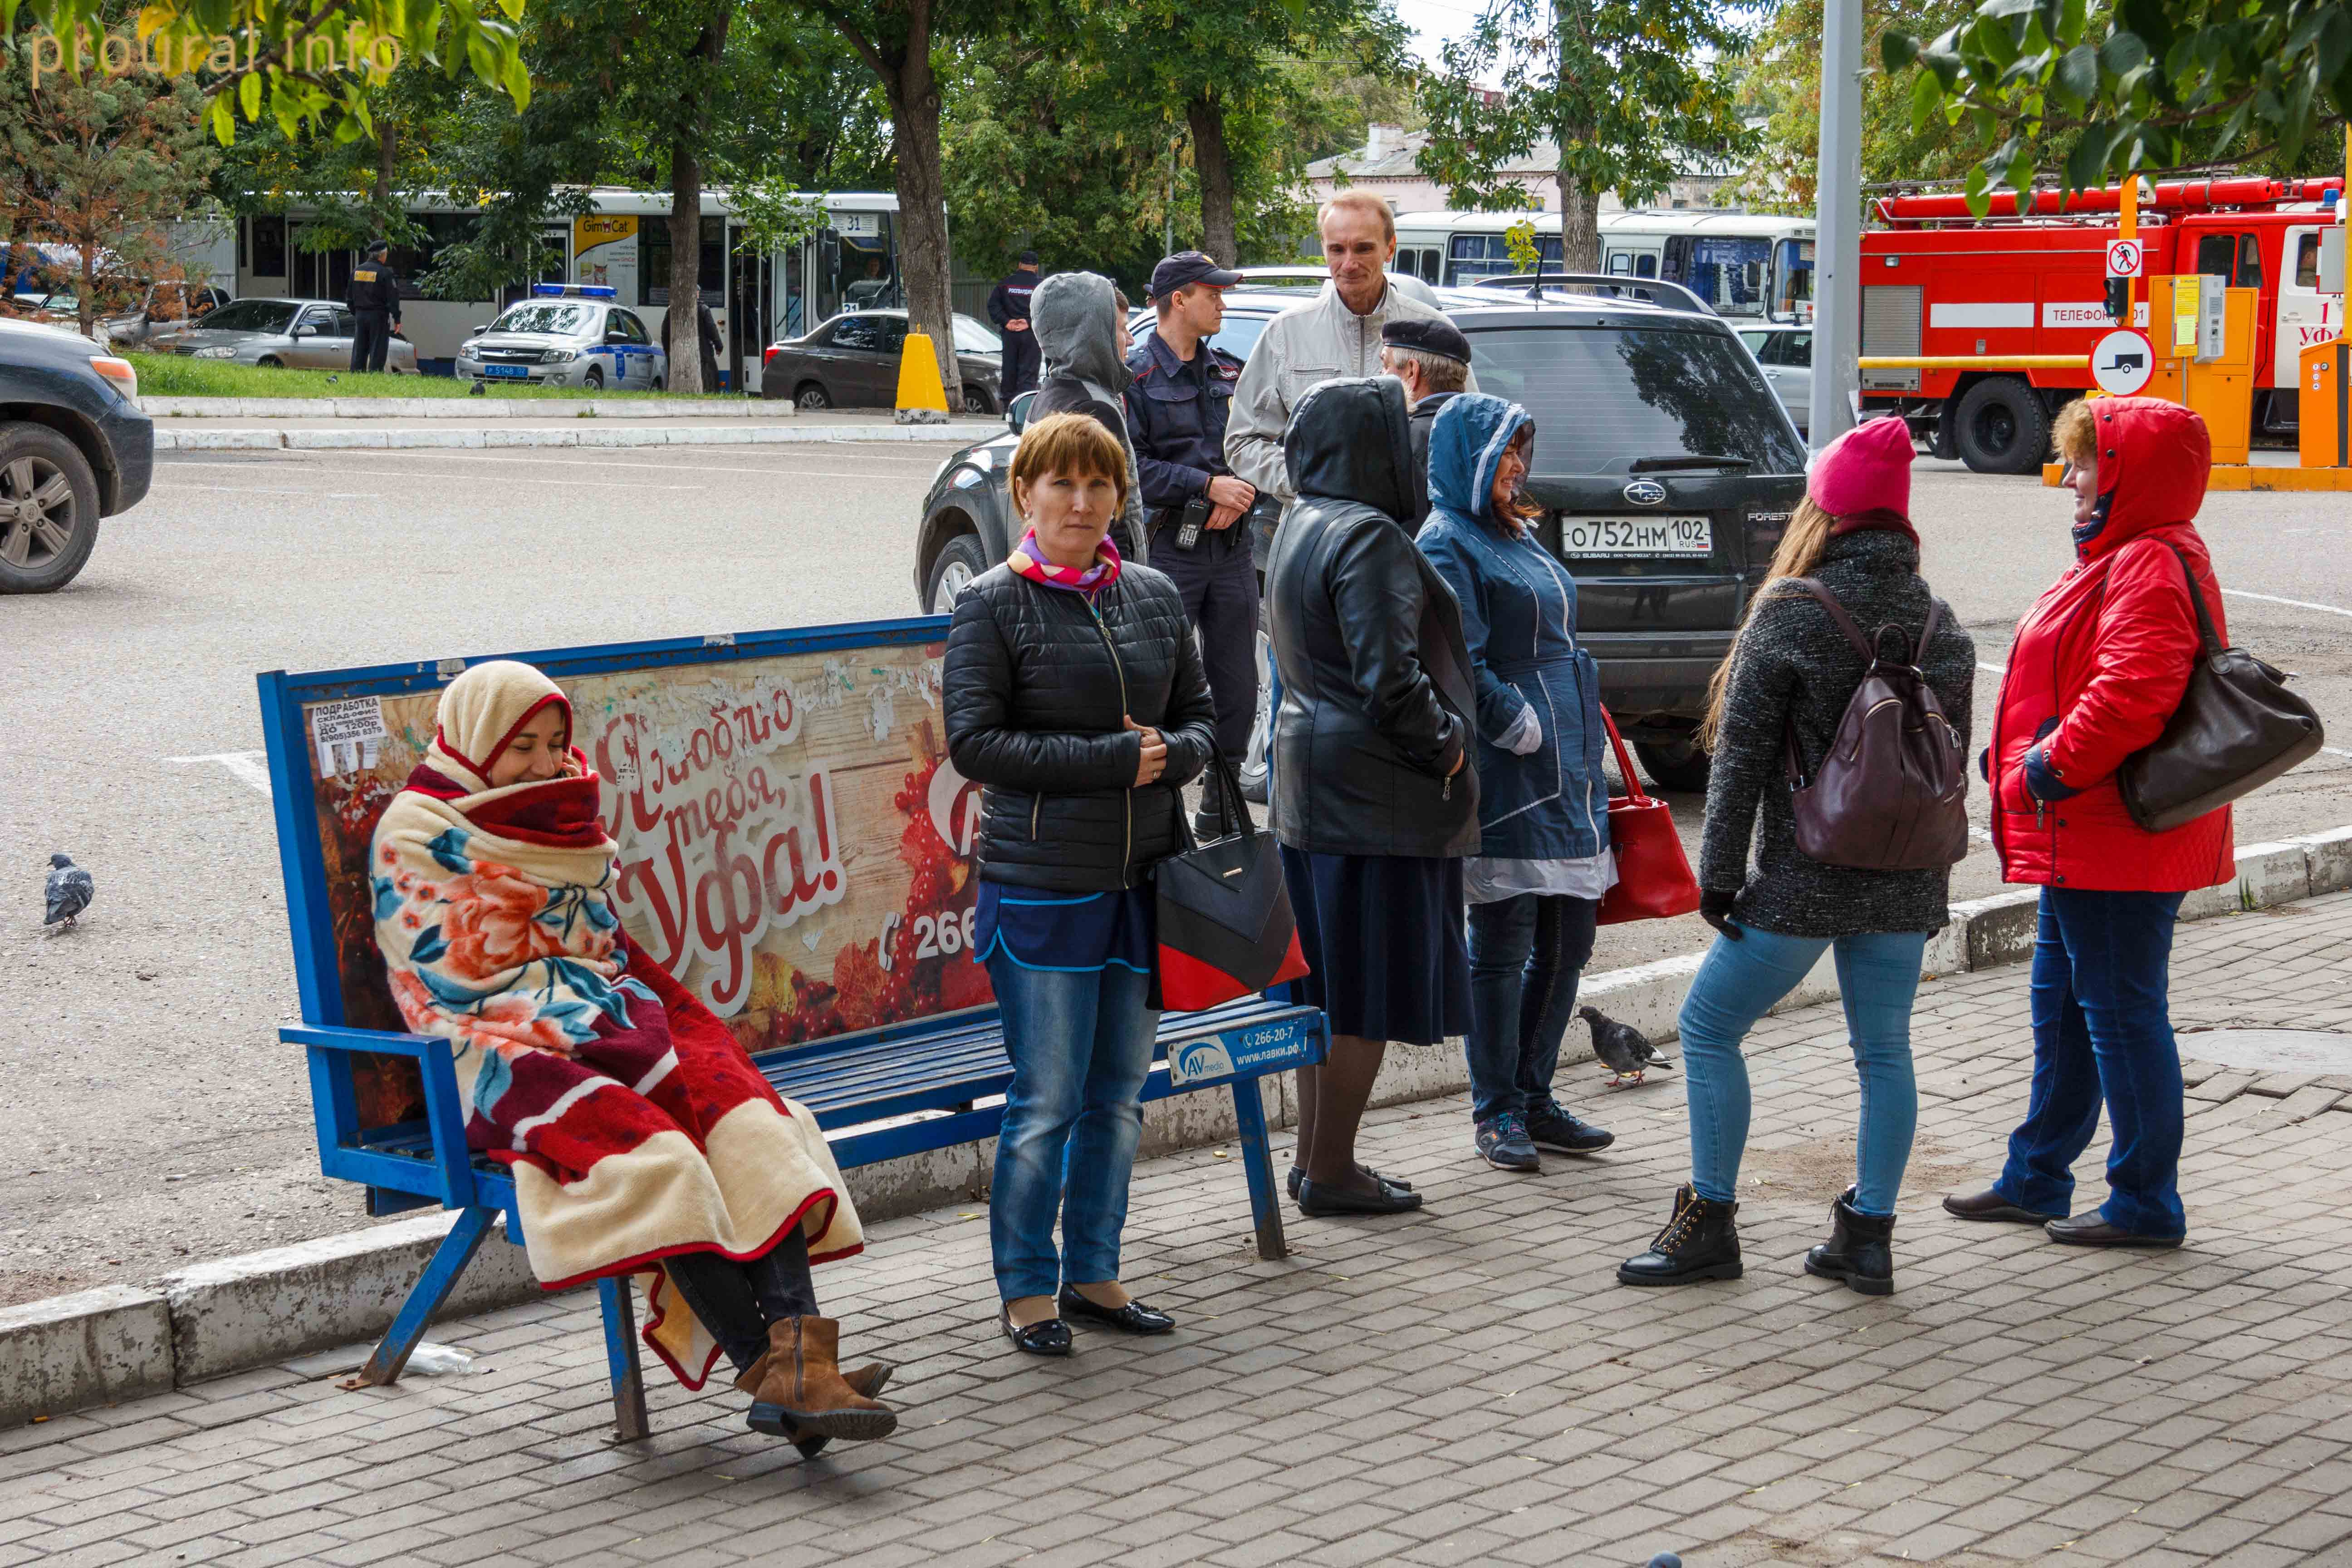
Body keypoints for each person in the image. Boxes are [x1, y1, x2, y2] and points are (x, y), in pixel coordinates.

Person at [370, 662, 895, 1446]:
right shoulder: (415, 831)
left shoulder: (559, 821)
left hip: (596, 1010)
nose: (547, 765)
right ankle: (777, 1371)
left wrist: (598, 998)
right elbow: (451, 971)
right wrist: (576, 996)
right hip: (496, 1045)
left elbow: (596, 941)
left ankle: (796, 1361)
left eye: (555, 744)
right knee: (661, 1162)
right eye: (524, 749)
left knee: (747, 1120)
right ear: (477, 744)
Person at [1618, 416, 1975, 1294]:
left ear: (1825, 510)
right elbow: (1942, 765)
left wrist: (1720, 876)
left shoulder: (1792, 613)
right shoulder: (1943, 626)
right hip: (1902, 875)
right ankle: (1866, 1239)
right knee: (1882, 1052)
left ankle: (1707, 1225)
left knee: (1706, 1028)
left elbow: (1736, 761)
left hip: (1801, 877)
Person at [944, 411, 1219, 1356]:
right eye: (1061, 484)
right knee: (1048, 1100)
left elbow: (1203, 719)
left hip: (1141, 882)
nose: (1082, 502)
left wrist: (1170, 753)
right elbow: (976, 744)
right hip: (1042, 889)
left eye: (1099, 484)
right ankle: (1026, 1289)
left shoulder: (1149, 594)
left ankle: (1094, 1272)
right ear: (1025, 494)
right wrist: (1115, 759)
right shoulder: (989, 603)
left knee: (1117, 1095)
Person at [1945, 397, 2234, 1250]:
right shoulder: (2123, 553)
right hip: (2088, 834)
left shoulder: (2146, 559)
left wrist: (2042, 768)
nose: (2068, 480)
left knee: (2116, 1011)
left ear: (2127, 475)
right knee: (2065, 1008)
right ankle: (2035, 1175)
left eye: (2085, 464)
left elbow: (2129, 695)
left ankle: (2144, 1202)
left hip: (2111, 833)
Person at [1268, 375, 1478, 1218]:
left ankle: (1313, 1160)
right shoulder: (1370, 537)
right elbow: (1388, 676)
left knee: (1325, 988)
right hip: (1372, 795)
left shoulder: (1300, 520)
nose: (1415, 454)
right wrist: (1450, 749)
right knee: (1362, 991)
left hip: (1310, 785)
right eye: (1400, 436)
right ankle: (1331, 1171)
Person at [1415, 395, 1617, 1174]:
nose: (1515, 467)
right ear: (1468, 458)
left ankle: (1535, 1095)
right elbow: (1457, 657)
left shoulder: (1510, 530)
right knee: (1501, 942)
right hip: (1513, 764)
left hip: (1565, 759)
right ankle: (1494, 1108)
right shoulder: (1445, 541)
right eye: (1503, 453)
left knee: (1568, 939)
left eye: (1519, 453)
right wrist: (1514, 723)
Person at [1224, 191, 1472, 515]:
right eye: (1337, 249)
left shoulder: (1432, 330)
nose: (1349, 263)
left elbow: (1468, 436)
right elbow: (1242, 442)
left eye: (1364, 248)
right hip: (1315, 534)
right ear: (1324, 248)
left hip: (1412, 537)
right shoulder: (1286, 332)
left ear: (1390, 248)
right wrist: (1308, 481)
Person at [1125, 250, 1259, 836]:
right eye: (1213, 293)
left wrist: (1240, 494)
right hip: (1171, 552)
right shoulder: (1135, 378)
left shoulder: (1229, 371)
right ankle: (1157, 810)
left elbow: (1259, 445)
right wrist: (1206, 486)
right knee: (1161, 679)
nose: (1222, 303)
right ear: (1178, 299)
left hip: (1230, 550)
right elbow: (1134, 471)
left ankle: (1221, 809)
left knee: (1237, 684)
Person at [1030, 271, 1149, 562]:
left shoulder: (1049, 393)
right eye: (1121, 329)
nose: (1131, 340)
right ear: (1093, 336)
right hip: (1101, 576)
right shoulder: (1094, 409)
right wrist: (1120, 583)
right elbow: (1106, 516)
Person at [1382, 316, 1473, 525]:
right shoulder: (1487, 431)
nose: (1381, 375)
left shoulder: (1403, 441)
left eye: (1386, 365)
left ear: (1412, 372)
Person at [989, 250, 1043, 398]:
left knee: (1009, 370)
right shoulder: (1041, 287)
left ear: (1020, 265)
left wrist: (1007, 321)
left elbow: (993, 306)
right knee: (1029, 373)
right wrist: (1030, 323)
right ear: (1036, 267)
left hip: (1010, 335)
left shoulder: (1005, 284)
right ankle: (1023, 409)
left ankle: (1007, 409)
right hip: (1032, 335)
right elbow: (1049, 310)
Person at [346, 240, 402, 374]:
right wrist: (397, 319)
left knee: (360, 348)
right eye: (386, 254)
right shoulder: (385, 273)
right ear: (382, 255)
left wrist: (358, 313)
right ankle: (374, 375)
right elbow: (393, 298)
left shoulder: (357, 271)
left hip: (360, 315)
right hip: (378, 316)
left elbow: (349, 298)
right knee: (378, 349)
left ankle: (356, 375)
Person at [662, 297, 724, 392]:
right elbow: (712, 330)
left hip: (679, 354)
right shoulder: (703, 309)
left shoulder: (672, 309)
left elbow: (665, 332)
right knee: (708, 380)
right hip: (703, 354)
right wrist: (719, 346)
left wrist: (668, 350)